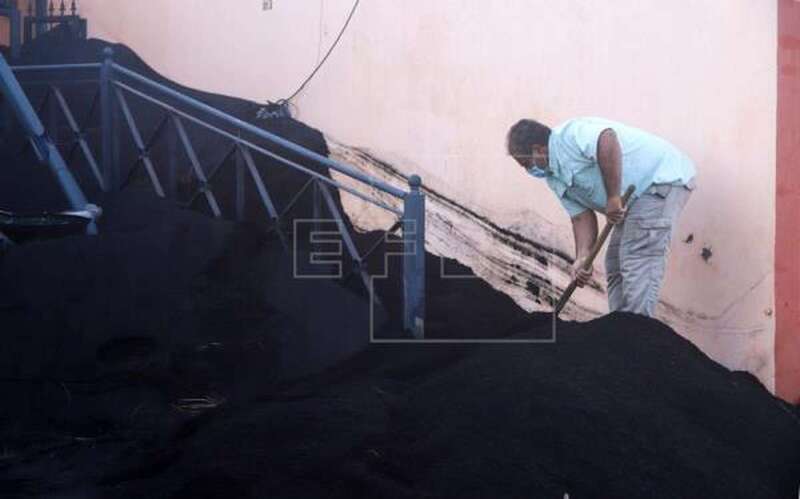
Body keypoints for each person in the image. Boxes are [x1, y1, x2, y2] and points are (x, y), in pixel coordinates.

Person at [506, 117, 696, 317]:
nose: (528, 170)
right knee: (614, 263)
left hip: (659, 181)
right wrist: (582, 258)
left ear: (539, 149)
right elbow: (580, 217)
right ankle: (617, 327)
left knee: (636, 257)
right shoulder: (553, 176)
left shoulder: (571, 135)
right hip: (634, 201)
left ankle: (637, 332)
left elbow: (606, 138)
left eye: (527, 163)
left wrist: (613, 196)